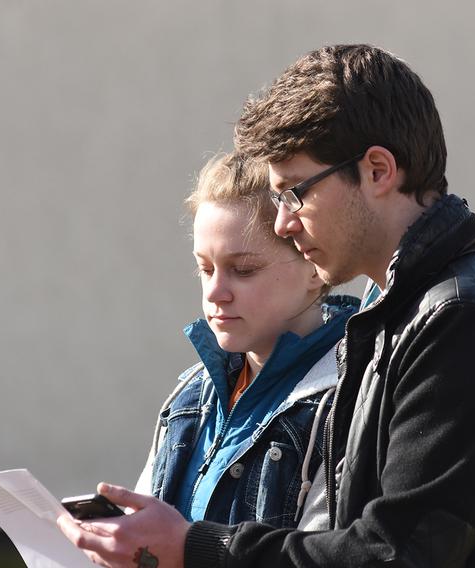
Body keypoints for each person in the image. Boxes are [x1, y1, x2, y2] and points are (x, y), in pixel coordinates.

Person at [59, 44, 475, 567]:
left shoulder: (462, 320)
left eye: (294, 193)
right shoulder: (393, 313)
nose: (283, 223)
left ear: (377, 171)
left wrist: (196, 547)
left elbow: (396, 553)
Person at [133, 152, 357, 532]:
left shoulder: (349, 399)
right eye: (205, 268)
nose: (216, 292)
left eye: (243, 270)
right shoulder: (189, 397)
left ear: (314, 267)